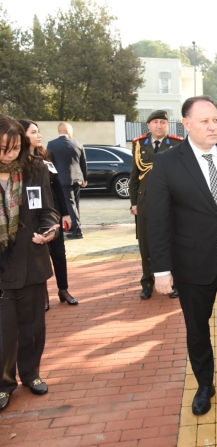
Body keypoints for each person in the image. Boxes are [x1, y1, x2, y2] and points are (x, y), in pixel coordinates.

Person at [147, 96, 217, 416]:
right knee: (198, 328)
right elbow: (158, 220)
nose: (212, 126)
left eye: (216, 120)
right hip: (192, 264)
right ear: (186, 125)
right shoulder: (167, 162)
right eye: (204, 121)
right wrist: (161, 271)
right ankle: (205, 383)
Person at [0, 115, 60, 411]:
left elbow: (47, 209)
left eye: (13, 149)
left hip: (31, 259)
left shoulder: (34, 169)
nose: (7, 155)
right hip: (2, 265)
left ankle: (31, 374)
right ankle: (3, 383)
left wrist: (50, 229)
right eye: (2, 149)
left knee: (33, 326)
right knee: (4, 330)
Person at [19, 119, 78, 309]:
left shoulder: (45, 155)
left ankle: (63, 289)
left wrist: (65, 213)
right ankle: (43, 296)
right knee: (39, 256)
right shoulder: (17, 162)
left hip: (51, 214)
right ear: (22, 136)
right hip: (30, 217)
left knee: (59, 254)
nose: (39, 135)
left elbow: (58, 185)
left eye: (38, 131)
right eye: (33, 132)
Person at [128, 110, 183, 300]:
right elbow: (134, 178)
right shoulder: (139, 144)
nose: (159, 126)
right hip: (145, 202)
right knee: (146, 245)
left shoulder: (177, 144)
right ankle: (147, 283)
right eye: (155, 122)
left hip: (171, 203)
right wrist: (133, 202)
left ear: (168, 126)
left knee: (172, 242)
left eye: (163, 122)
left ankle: (172, 282)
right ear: (149, 125)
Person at [46, 122, 87, 239]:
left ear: (59, 131)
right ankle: (75, 227)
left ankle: (78, 231)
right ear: (68, 131)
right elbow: (83, 162)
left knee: (70, 203)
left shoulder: (52, 144)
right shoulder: (77, 143)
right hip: (78, 178)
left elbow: (50, 163)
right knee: (76, 204)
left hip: (62, 179)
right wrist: (85, 178)